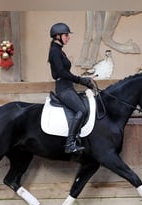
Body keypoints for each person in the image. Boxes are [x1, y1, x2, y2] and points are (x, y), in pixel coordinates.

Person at [48, 22, 94, 154]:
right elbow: (61, 73)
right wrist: (81, 80)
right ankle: (70, 143)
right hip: (63, 89)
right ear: (58, 36)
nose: (68, 37)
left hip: (68, 87)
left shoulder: (59, 51)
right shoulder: (54, 51)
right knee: (82, 110)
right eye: (66, 35)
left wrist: (82, 81)